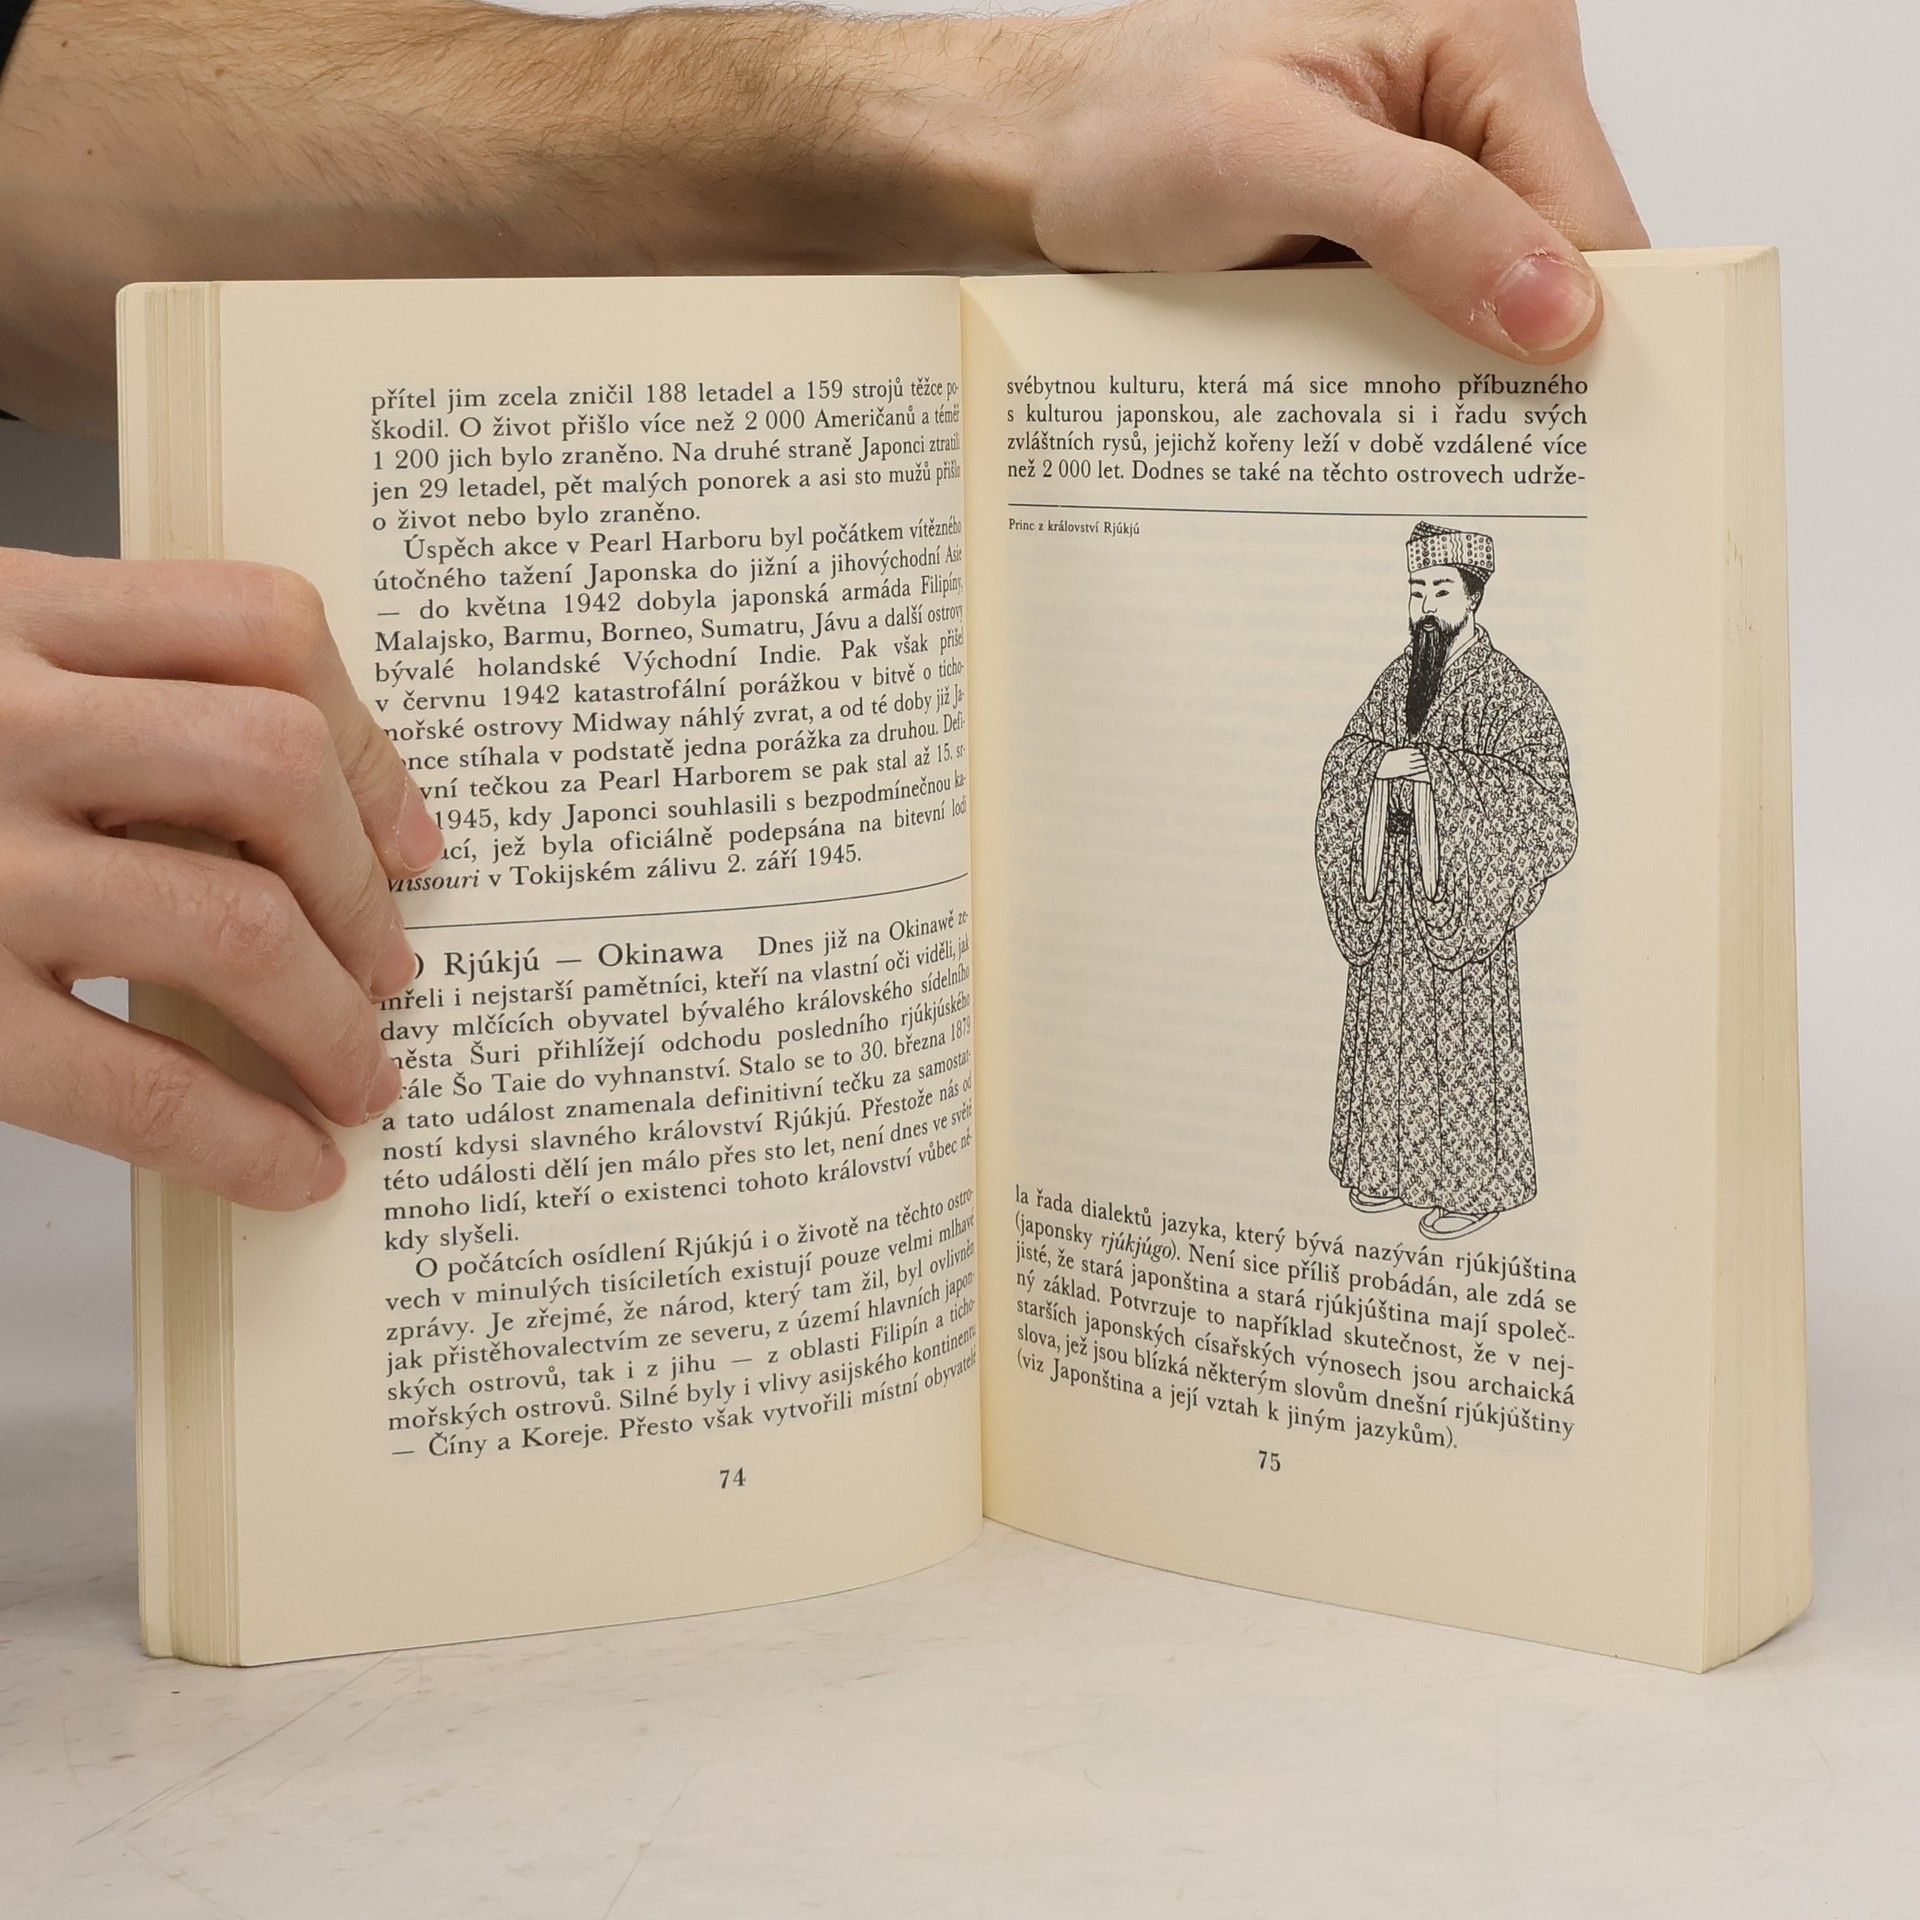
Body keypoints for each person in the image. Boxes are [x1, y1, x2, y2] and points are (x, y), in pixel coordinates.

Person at [0, 0, 1646, 1209]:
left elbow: (36, 120)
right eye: (1412, 575)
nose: (1417, 593)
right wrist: (1380, 786)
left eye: (1434, 577)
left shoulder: (1490, 685)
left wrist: (997, 119)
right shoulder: (1397, 678)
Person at [1314, 522, 1578, 1240]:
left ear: (1473, 598)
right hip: (1392, 892)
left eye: (1439, 590)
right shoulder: (1396, 680)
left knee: (1460, 1044)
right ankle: (1385, 1168)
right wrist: (1377, 769)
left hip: (1461, 901)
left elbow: (1548, 806)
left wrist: (1444, 783)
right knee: (1390, 1032)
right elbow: (1347, 756)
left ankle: (1471, 1187)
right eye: (1415, 591)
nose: (1425, 606)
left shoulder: (1509, 693)